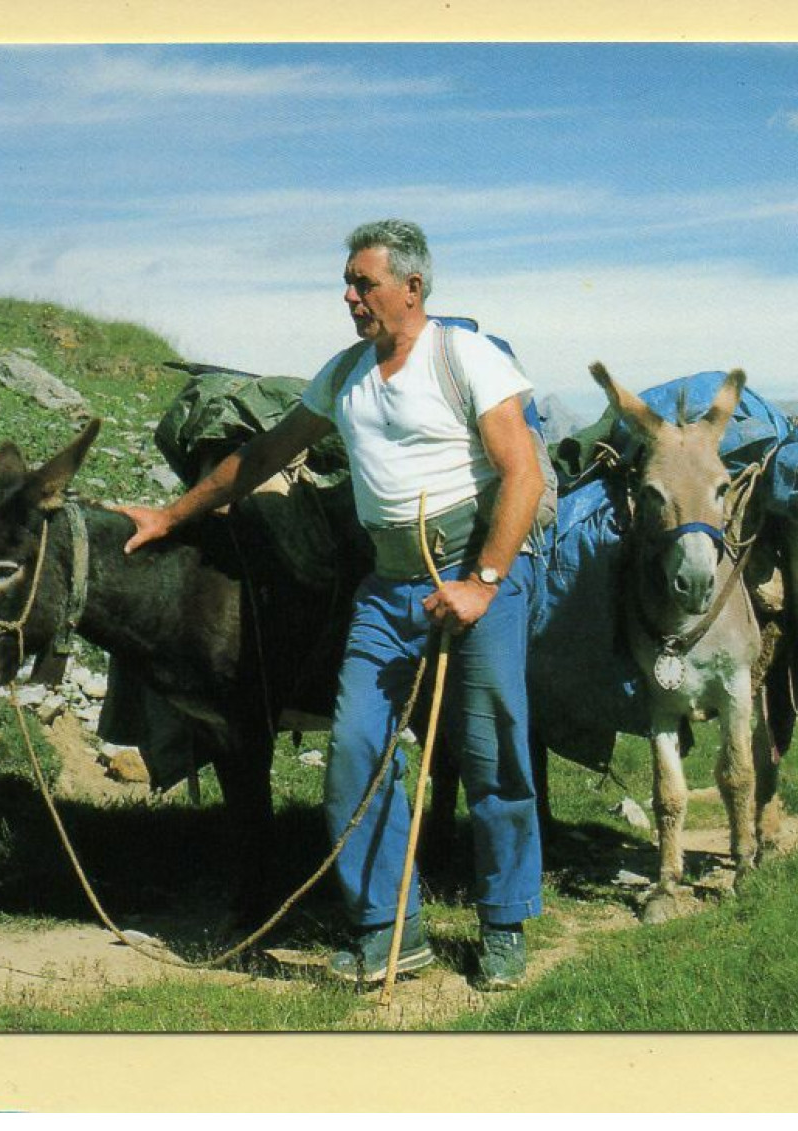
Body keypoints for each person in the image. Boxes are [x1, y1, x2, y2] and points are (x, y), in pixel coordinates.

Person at [117, 219, 545, 990]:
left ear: (412, 288)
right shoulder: (345, 372)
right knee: (355, 750)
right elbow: (264, 455)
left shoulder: (464, 358)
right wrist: (172, 517)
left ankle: (504, 922)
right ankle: (390, 928)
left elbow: (522, 474)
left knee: (490, 754)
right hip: (388, 587)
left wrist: (481, 581)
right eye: (347, 283)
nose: (350, 297)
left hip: (474, 573)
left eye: (364, 283)